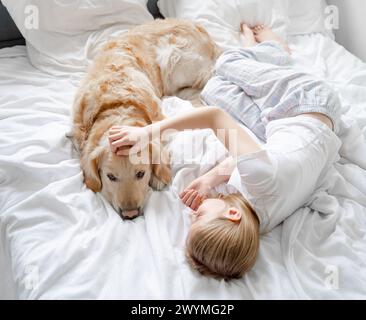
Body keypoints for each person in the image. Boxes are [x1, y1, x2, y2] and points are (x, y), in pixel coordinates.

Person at [108, 24, 342, 280]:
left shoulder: (257, 222)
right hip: (306, 100)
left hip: (281, 131)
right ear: (232, 214)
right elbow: (213, 117)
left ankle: (261, 63)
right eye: (200, 216)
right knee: (226, 63)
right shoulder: (262, 180)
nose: (193, 213)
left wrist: (210, 179)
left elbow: (250, 160)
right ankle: (275, 49)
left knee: (212, 90)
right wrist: (147, 133)